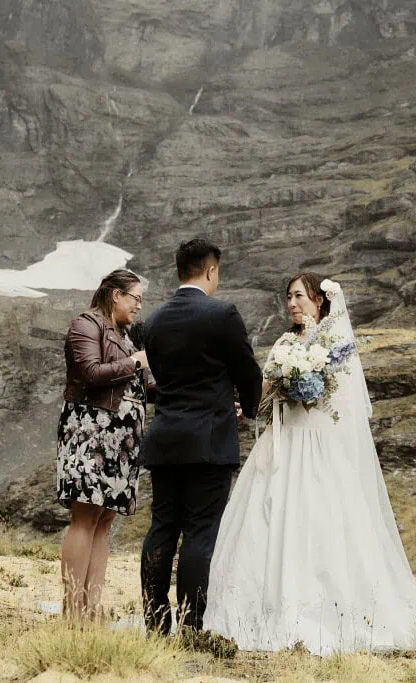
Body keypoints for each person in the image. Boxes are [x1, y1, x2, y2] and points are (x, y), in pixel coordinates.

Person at [202, 272, 416, 659]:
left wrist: (305, 384)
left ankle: (331, 612)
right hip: (284, 443)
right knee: (264, 520)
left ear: (319, 300)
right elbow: (266, 392)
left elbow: (342, 403)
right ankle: (258, 608)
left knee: (321, 524)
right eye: (289, 296)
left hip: (317, 444)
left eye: (300, 295)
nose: (292, 303)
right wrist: (272, 391)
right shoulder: (286, 341)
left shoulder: (334, 342)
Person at [139, 238, 263, 634]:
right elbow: (248, 373)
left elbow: (160, 379)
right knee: (199, 533)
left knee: (162, 528)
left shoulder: (153, 322)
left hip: (165, 439)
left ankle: (156, 621)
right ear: (210, 271)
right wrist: (247, 406)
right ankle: (192, 625)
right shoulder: (222, 314)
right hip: (209, 440)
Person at [57, 269, 152, 621]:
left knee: (104, 518)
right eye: (135, 298)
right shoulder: (86, 324)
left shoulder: (125, 335)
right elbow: (90, 373)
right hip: (89, 434)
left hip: (121, 442)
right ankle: (72, 611)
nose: (139, 306)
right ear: (116, 295)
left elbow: (134, 388)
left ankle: (91, 608)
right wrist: (135, 362)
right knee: (84, 515)